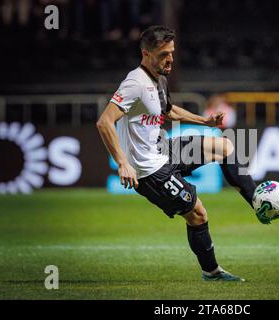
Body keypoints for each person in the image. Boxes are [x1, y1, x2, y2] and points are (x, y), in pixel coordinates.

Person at [96, 26, 261, 282]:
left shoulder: (159, 77)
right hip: (148, 170)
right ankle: (212, 272)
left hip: (162, 149)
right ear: (146, 54)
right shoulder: (134, 83)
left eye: (172, 52)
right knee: (198, 214)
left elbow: (168, 111)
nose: (171, 59)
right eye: (164, 54)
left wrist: (204, 121)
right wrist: (122, 163)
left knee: (224, 146)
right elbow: (104, 122)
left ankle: (259, 204)